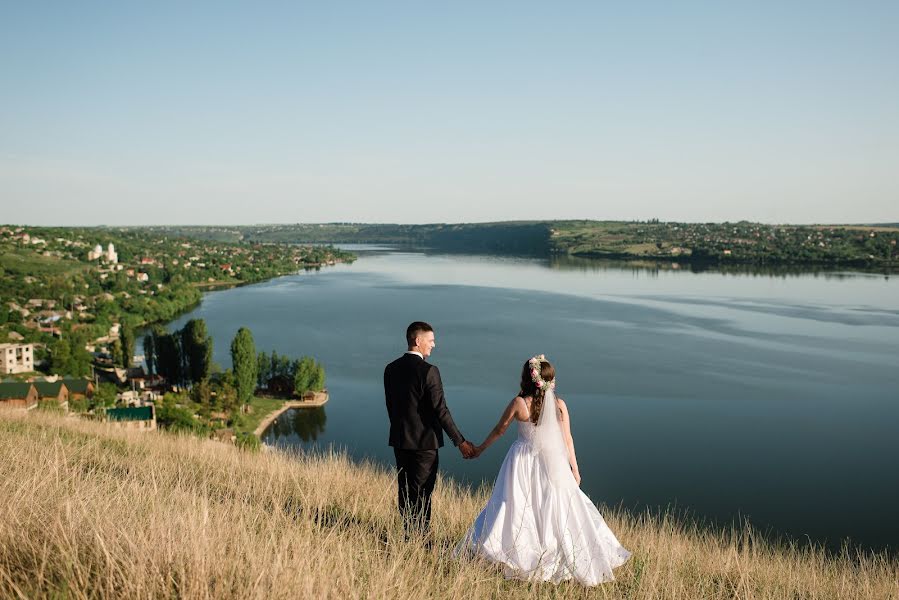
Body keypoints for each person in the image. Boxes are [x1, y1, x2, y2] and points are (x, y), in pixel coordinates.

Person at [456, 355, 631, 585]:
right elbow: (567, 439)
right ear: (549, 382)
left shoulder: (519, 403)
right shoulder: (559, 405)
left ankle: (515, 552)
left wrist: (479, 449)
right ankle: (555, 552)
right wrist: (575, 469)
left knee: (516, 506)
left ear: (526, 379)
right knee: (552, 507)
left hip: (522, 462)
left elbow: (499, 430)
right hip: (552, 463)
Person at [384, 321, 476, 536]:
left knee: (405, 491)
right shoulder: (429, 371)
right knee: (423, 492)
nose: (434, 345)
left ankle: (409, 533)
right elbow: (440, 410)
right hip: (425, 444)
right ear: (418, 341)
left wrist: (400, 430)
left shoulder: (391, 369)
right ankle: (421, 539)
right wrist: (460, 442)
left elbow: (392, 407)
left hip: (400, 440)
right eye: (431, 340)